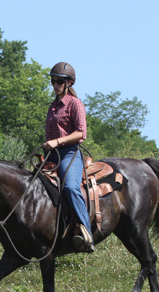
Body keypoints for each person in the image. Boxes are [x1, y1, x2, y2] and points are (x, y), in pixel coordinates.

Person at [43, 61, 94, 253]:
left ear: (69, 83)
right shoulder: (52, 106)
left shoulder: (75, 103)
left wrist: (57, 142)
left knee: (71, 187)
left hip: (69, 153)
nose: (55, 85)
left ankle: (86, 233)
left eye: (59, 81)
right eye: (53, 81)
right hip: (51, 155)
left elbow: (81, 133)